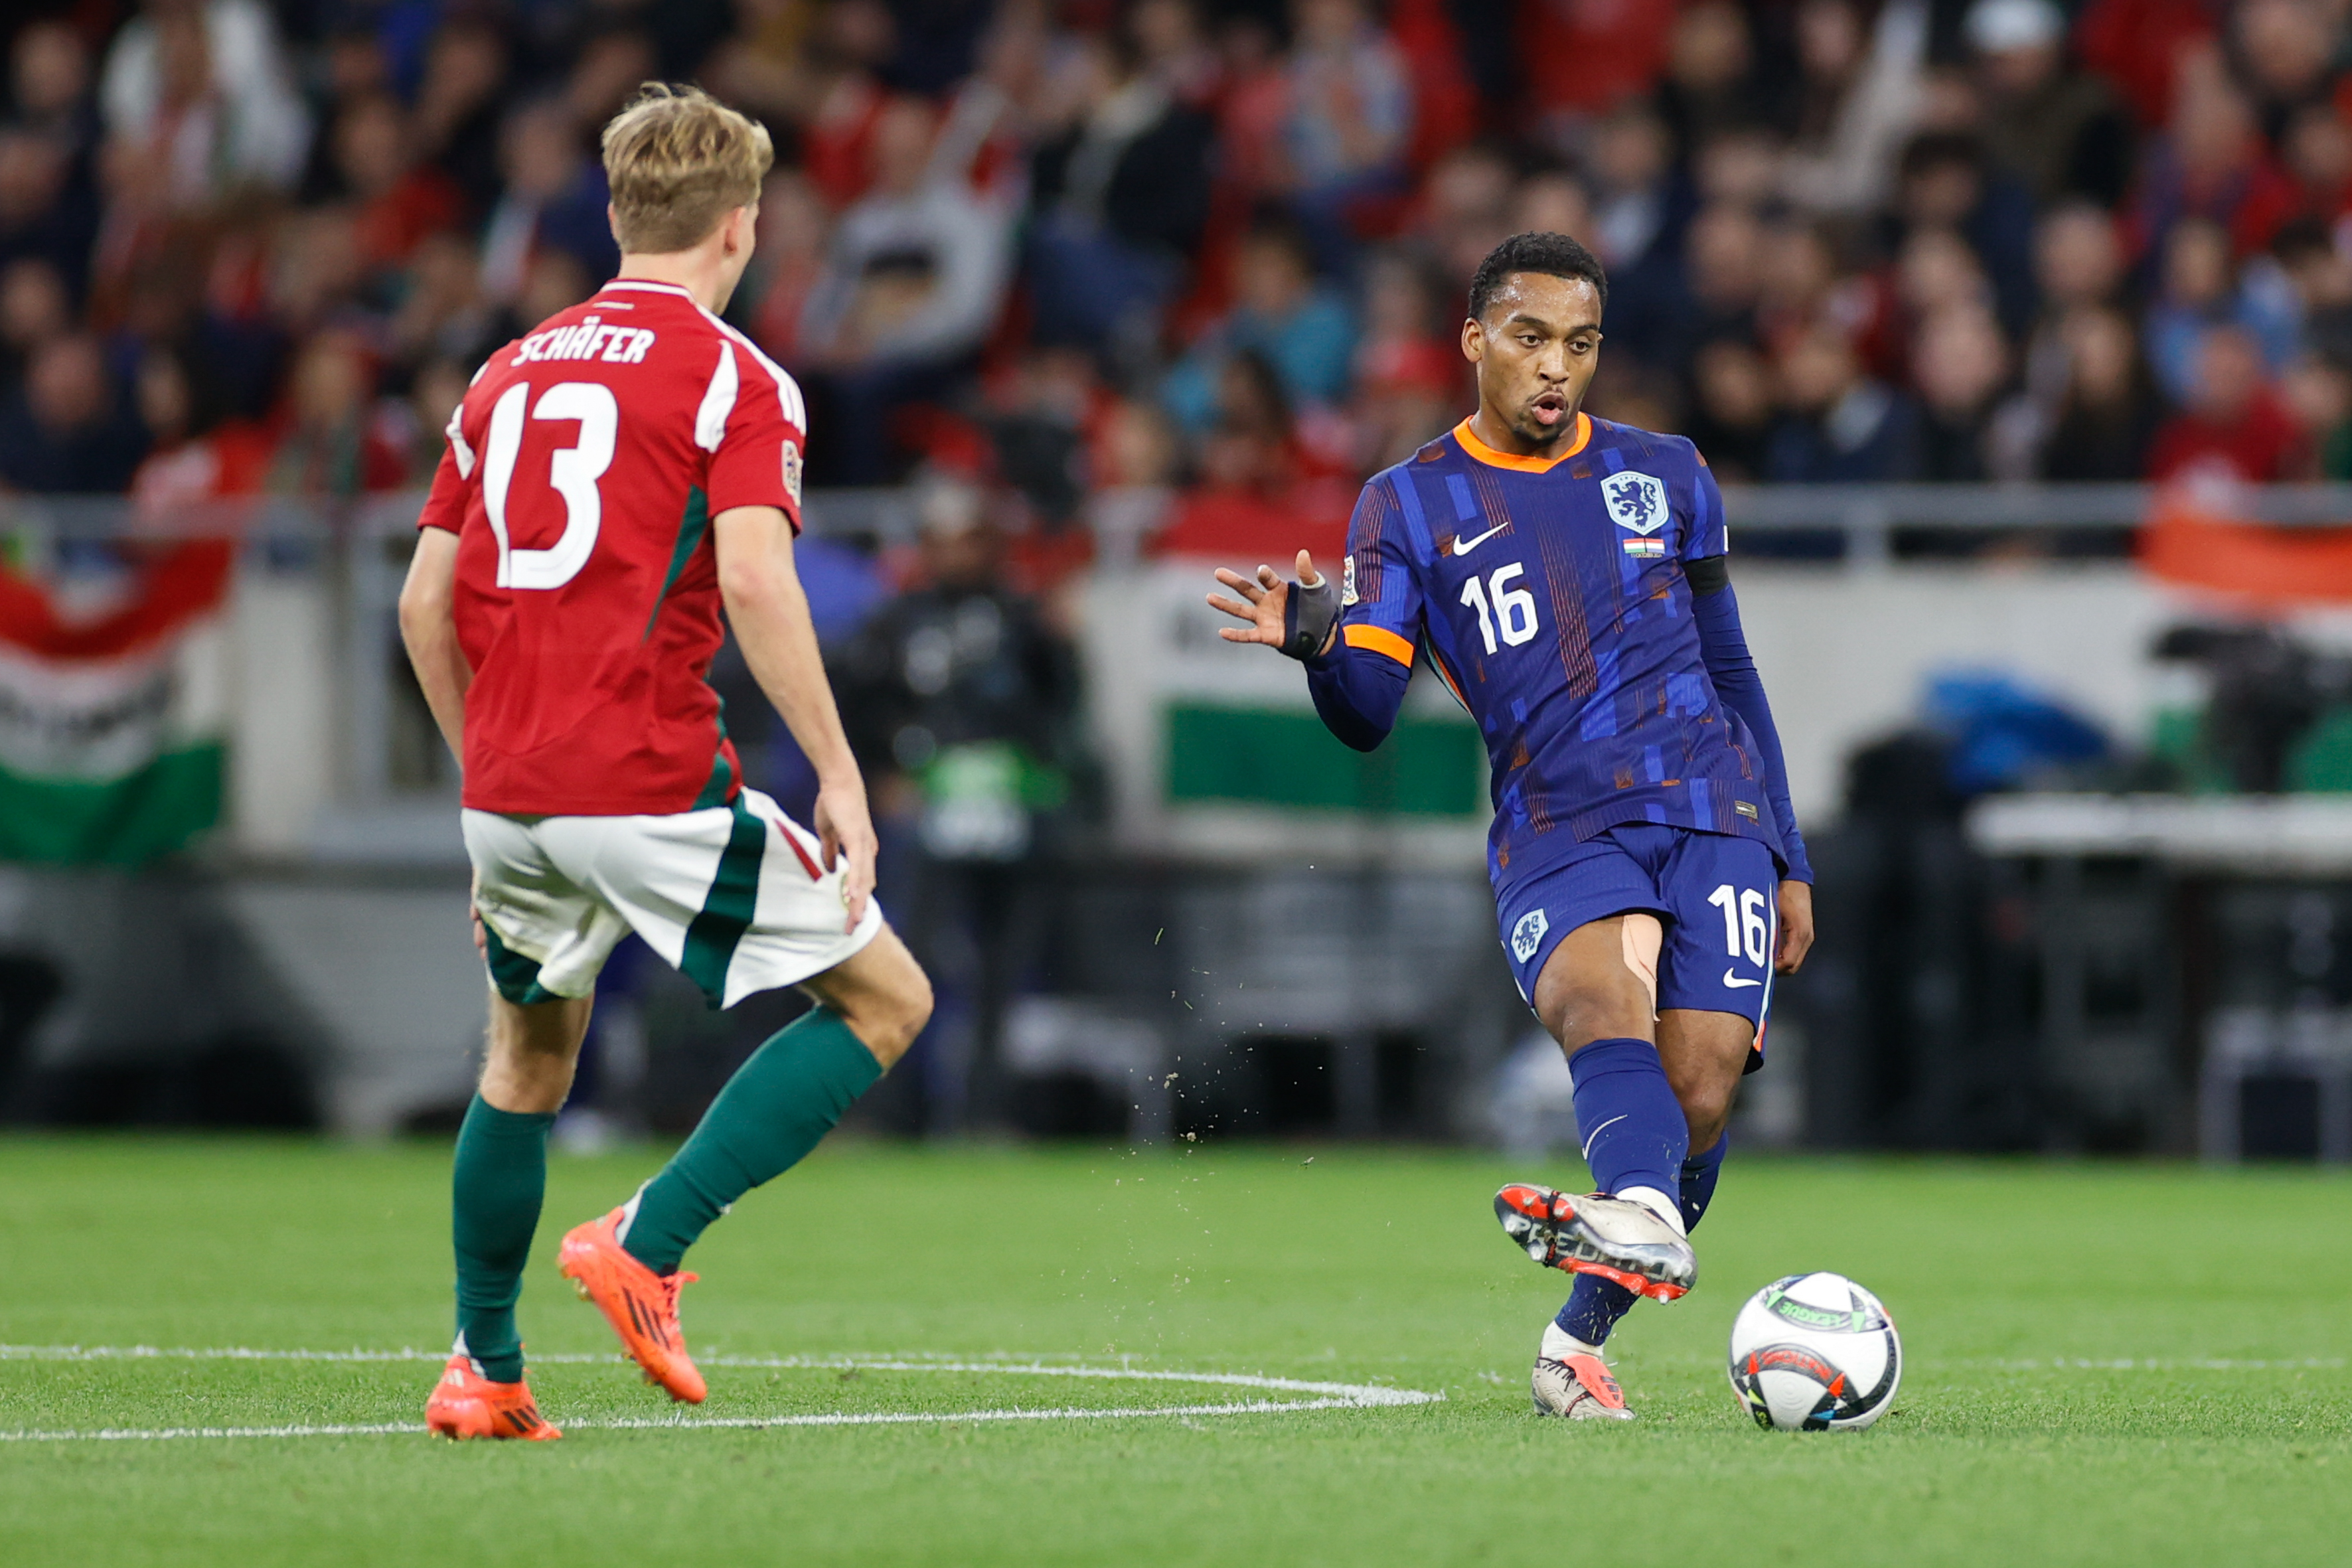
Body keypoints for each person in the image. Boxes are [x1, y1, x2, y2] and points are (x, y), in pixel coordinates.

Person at [398, 82, 933, 1442]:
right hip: (641, 775)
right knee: (884, 1000)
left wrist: (492, 785)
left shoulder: (503, 370)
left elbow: (419, 606)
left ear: (622, 213)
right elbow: (754, 576)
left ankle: (481, 1363)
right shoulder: (734, 375)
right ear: (740, 229)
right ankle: (650, 1238)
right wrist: (840, 771)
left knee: (523, 1063)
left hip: (508, 789)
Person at [1206, 232, 1814, 1420]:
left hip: (1713, 806)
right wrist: (1323, 640)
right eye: (1532, 339)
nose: (1556, 369)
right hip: (1558, 820)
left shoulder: (1670, 473)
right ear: (1475, 339)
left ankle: (1575, 1340)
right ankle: (1639, 1210)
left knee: (1699, 1093)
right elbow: (1368, 714)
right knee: (1600, 999)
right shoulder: (1408, 502)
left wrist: (1787, 850)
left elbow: (1733, 671)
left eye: (1580, 346)